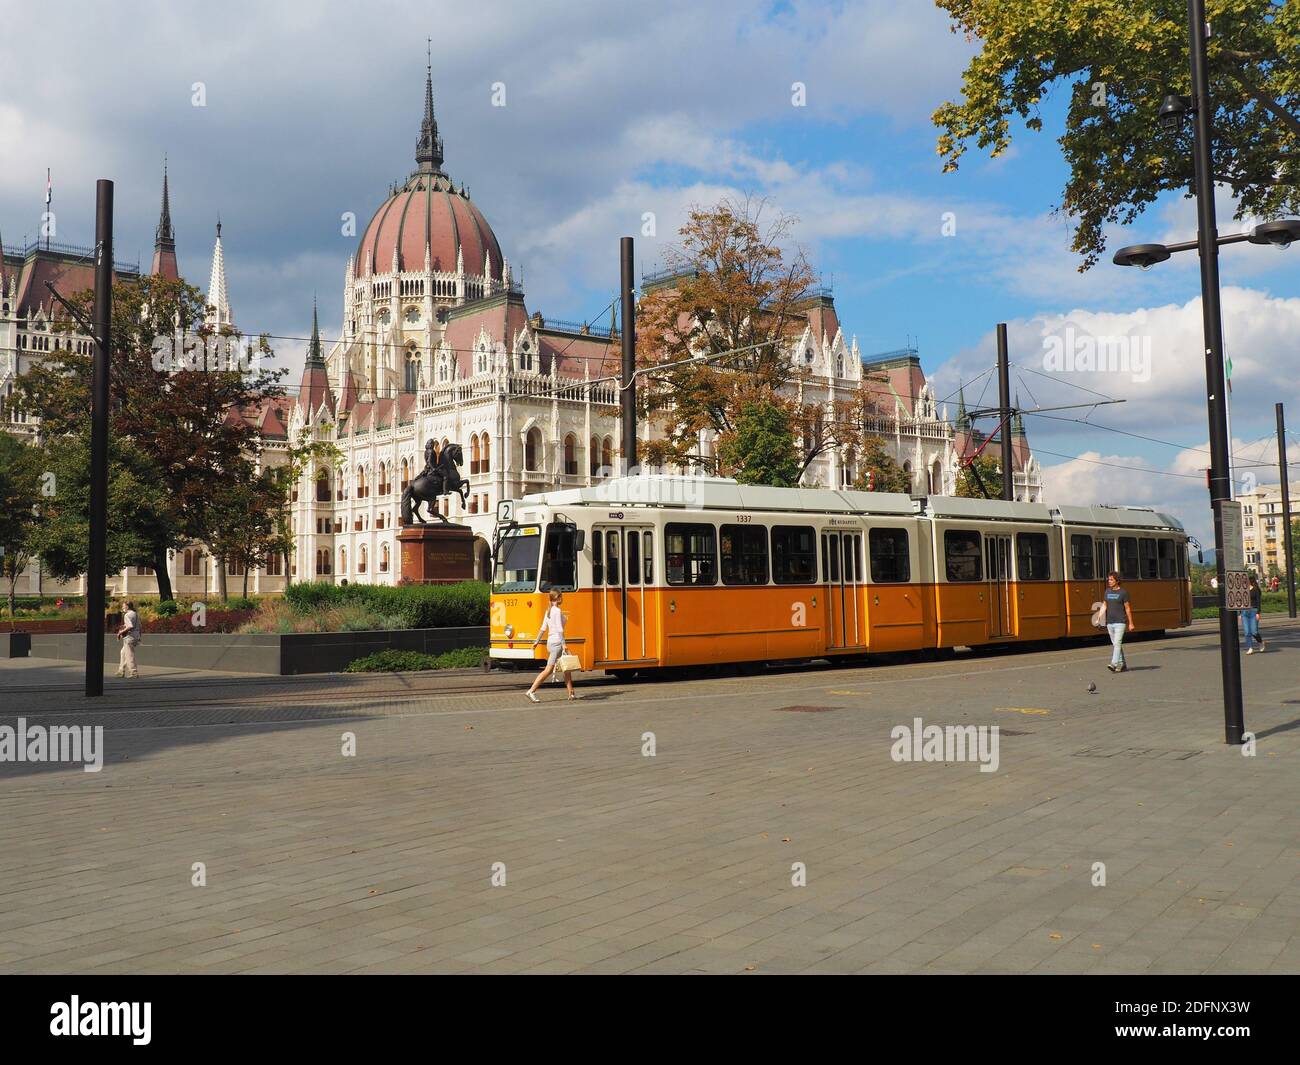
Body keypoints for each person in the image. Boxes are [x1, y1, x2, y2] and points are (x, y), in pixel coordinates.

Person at [526, 589, 575, 702]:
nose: (562, 598)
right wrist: (564, 645)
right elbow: (559, 629)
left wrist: (536, 642)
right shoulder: (556, 611)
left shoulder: (548, 611)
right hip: (558, 643)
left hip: (551, 643)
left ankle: (571, 693)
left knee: (566, 668)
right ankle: (531, 691)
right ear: (557, 598)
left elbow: (543, 628)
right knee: (548, 669)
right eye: (561, 596)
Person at [1104, 571, 1136, 673]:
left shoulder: (1123, 593)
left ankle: (1114, 664)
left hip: (1120, 622)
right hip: (1110, 622)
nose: (1109, 581)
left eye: (1111, 580)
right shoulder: (1107, 592)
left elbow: (1127, 608)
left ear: (1117, 581)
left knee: (1117, 643)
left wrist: (1131, 623)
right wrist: (1099, 617)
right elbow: (1104, 605)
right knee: (1116, 644)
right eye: (1108, 579)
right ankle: (1122, 664)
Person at [115, 599, 142, 679]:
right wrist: (139, 637)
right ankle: (121, 671)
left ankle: (133, 672)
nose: (122, 607)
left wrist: (120, 632)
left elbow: (130, 626)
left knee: (129, 655)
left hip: (129, 636)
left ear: (127, 606)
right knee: (123, 652)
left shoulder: (127, 615)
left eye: (123, 606)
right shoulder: (135, 614)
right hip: (136, 635)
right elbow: (140, 626)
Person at [1243, 572, 1265, 654]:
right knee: (1247, 632)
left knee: (1254, 631)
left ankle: (1260, 642)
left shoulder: (1256, 590)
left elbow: (1258, 601)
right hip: (1244, 611)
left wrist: (1258, 612)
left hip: (1253, 611)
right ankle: (1250, 647)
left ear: (1250, 581)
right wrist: (1239, 613)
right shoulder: (1243, 590)